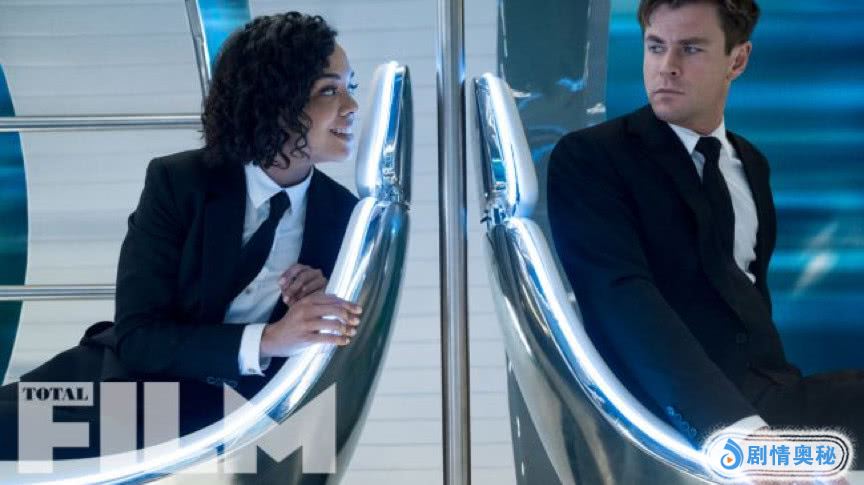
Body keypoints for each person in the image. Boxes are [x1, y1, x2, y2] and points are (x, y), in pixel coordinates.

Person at [1, 11, 362, 457]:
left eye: (350, 87)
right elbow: (139, 337)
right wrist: (269, 339)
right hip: (126, 384)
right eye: (329, 90)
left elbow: (342, 351)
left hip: (226, 416)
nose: (352, 106)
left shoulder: (345, 216)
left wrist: (320, 310)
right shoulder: (180, 183)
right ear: (276, 101)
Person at [547, 0, 864, 450]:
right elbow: (622, 301)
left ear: (738, 60)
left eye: (691, 49)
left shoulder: (751, 163)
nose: (667, 67)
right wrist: (737, 432)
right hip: (675, 420)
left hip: (774, 396)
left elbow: (748, 299)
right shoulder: (593, 158)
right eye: (656, 47)